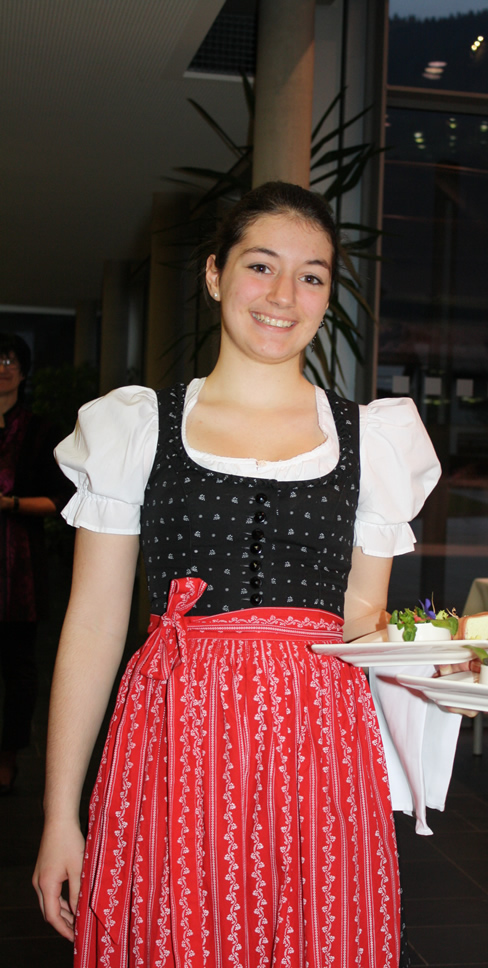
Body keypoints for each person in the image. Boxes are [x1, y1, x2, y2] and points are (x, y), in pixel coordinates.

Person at [33, 182, 444, 967]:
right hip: (175, 739)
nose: (284, 295)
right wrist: (60, 816)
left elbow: (364, 615)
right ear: (215, 274)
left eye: (311, 276)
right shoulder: (138, 427)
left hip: (318, 746)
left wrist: (444, 662)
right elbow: (92, 625)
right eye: (261, 266)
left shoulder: (371, 440)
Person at [0, 333, 73, 794]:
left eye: (10, 361)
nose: (2, 368)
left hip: (17, 570)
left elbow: (62, 500)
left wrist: (10, 504)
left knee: (18, 669)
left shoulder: (40, 431)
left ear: (23, 372)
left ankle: (7, 754)